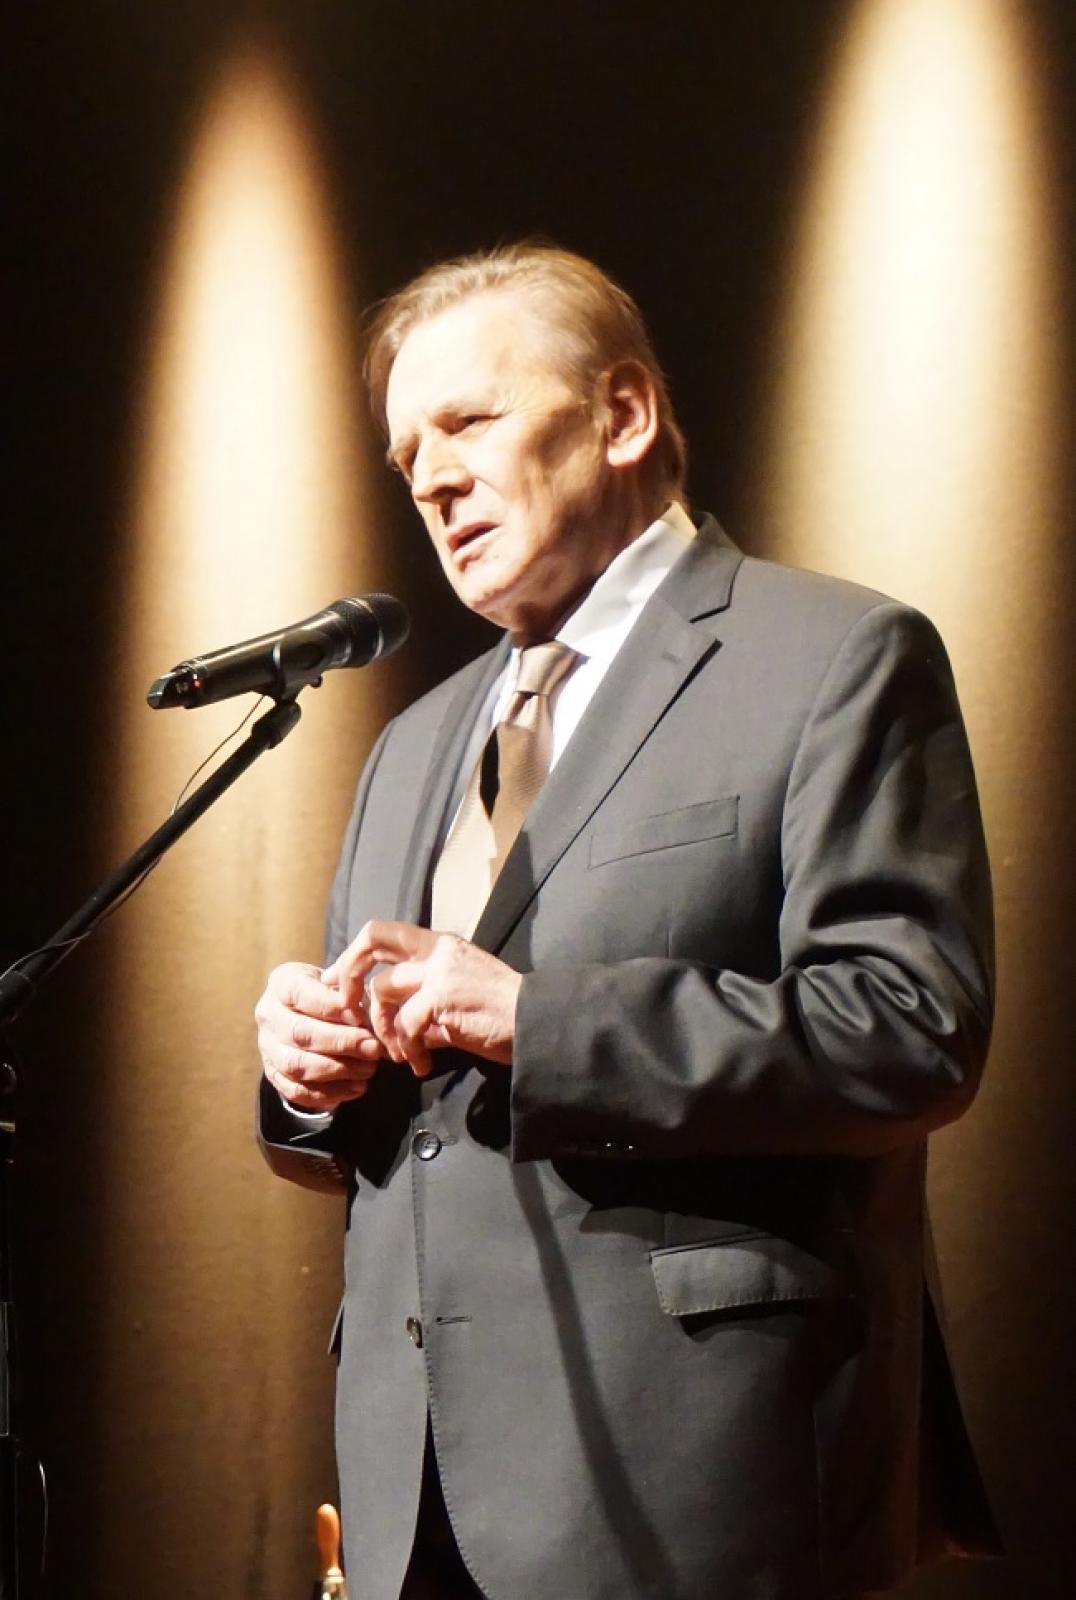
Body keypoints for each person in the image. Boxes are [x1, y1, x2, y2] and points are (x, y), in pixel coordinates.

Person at [255, 243, 998, 1600]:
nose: (430, 479)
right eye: (406, 454)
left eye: (468, 421)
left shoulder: (830, 658)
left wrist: (536, 1020)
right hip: (420, 1489)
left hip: (697, 1474)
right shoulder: (413, 744)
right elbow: (409, 1132)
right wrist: (312, 1073)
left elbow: (908, 1028)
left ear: (625, 414)